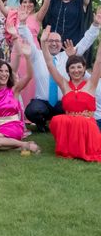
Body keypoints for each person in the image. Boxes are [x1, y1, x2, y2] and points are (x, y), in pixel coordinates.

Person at [41, 25, 101, 161]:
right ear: (68, 71)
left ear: (84, 68)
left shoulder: (91, 84)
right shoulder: (64, 85)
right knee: (58, 120)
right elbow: (50, 64)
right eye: (72, 68)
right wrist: (43, 43)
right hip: (69, 125)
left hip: (87, 126)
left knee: (82, 123)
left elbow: (98, 61)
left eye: (79, 67)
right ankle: (70, 147)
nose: (76, 70)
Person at [0, 57, 40, 155]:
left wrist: (27, 57)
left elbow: (29, 76)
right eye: (0, 71)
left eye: (7, 71)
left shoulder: (14, 89)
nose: (4, 74)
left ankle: (25, 144)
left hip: (12, 125)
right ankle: (18, 146)